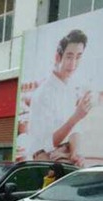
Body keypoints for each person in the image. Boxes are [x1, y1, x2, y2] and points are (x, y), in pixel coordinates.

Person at [28, 29, 91, 166]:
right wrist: (76, 117)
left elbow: (75, 128)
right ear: (58, 57)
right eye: (69, 56)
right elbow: (49, 144)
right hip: (44, 155)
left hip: (65, 151)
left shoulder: (71, 87)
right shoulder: (43, 93)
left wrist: (75, 153)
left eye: (78, 56)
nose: (73, 64)